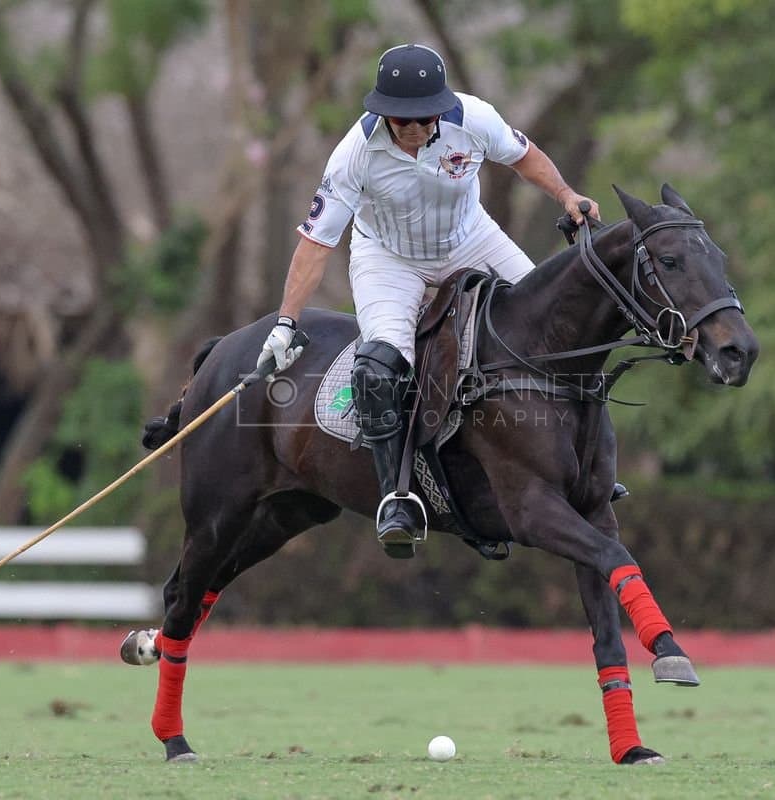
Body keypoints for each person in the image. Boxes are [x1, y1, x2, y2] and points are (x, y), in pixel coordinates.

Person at [257, 43, 600, 547]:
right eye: (402, 119)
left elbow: (524, 156)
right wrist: (286, 324)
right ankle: (397, 497)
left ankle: (585, 466)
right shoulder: (354, 154)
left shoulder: (474, 118)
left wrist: (566, 195)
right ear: (383, 112)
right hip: (388, 258)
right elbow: (316, 243)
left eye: (425, 117)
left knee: (553, 323)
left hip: (470, 239)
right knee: (378, 370)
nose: (415, 129)